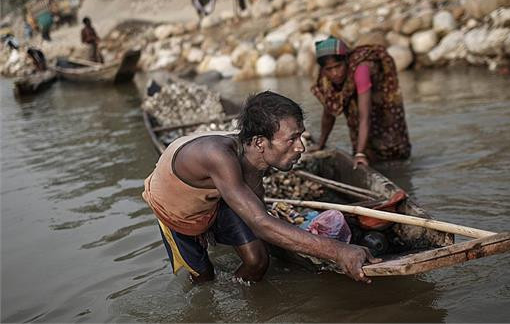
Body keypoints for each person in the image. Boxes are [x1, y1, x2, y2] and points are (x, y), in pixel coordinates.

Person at [142, 91, 379, 284]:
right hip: (176, 213)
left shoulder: (256, 156)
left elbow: (259, 212)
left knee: (258, 261)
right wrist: (339, 251)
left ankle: (240, 293)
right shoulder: (218, 156)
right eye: (292, 139)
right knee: (204, 278)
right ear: (259, 142)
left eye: (301, 137)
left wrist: (292, 236)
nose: (301, 148)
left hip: (218, 197)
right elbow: (261, 224)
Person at [310, 36, 411, 168]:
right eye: (329, 69)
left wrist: (359, 154)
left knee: (390, 142)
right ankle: (365, 155)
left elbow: (365, 116)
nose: (335, 73)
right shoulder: (325, 77)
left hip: (379, 99)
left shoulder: (361, 70)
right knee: (362, 141)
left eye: (338, 66)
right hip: (361, 101)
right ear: (323, 69)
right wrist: (320, 144)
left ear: (346, 60)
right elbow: (329, 111)